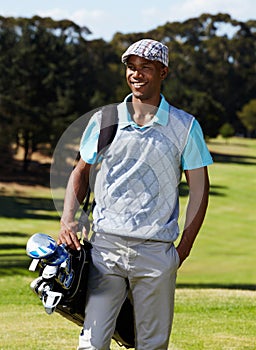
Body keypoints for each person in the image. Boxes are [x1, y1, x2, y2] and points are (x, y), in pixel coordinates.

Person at [58, 38, 213, 350]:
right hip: (105, 250)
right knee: (92, 342)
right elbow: (80, 172)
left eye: (146, 67)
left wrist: (183, 248)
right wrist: (67, 220)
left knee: (152, 345)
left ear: (163, 72)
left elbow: (200, 189)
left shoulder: (185, 126)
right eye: (131, 67)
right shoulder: (104, 120)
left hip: (156, 253)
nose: (136, 74)